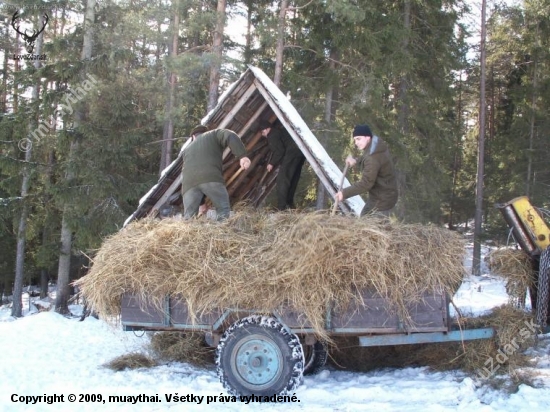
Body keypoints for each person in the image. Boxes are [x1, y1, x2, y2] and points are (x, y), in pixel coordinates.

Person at [181, 125, 251, 220]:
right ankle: (221, 231)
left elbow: (195, 177)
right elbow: (230, 135)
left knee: (188, 219)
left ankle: (186, 234)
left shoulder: (186, 150)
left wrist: (201, 204)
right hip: (210, 177)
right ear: (205, 132)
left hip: (188, 185)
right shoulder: (213, 134)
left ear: (193, 136)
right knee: (223, 209)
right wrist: (242, 156)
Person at [335, 124, 398, 217]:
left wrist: (344, 193)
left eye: (358, 139)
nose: (356, 142)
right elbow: (368, 158)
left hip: (382, 200)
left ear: (367, 137)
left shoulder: (372, 157)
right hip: (384, 194)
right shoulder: (375, 146)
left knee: (373, 227)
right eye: (355, 139)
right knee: (365, 218)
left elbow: (366, 183)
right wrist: (355, 160)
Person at [258, 119, 305, 210]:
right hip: (300, 154)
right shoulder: (279, 132)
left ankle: (281, 207)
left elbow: (279, 151)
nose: (264, 135)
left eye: (263, 133)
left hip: (291, 153)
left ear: (267, 129)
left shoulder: (272, 135)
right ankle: (290, 204)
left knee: (282, 180)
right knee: (293, 179)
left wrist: (271, 163)